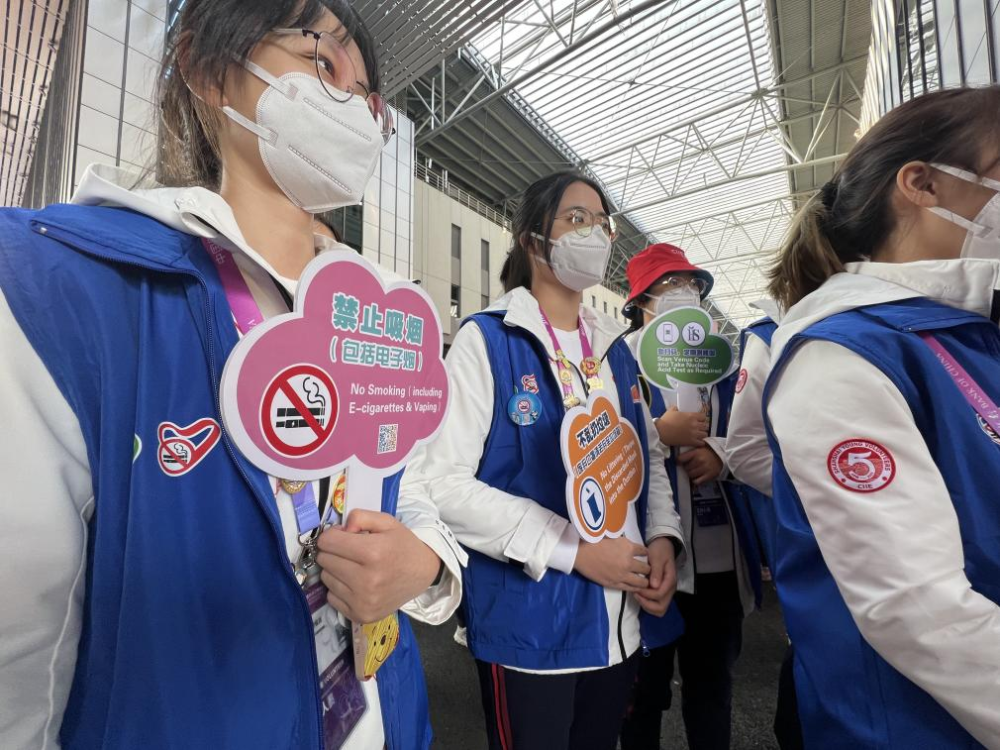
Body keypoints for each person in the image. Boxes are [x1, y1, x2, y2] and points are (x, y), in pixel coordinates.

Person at [0, 2, 465, 748]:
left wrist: (428, 562)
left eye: (368, 97)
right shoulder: (64, 287)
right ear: (209, 70)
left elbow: (411, 482)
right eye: (323, 59)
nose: (352, 105)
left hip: (382, 715)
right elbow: (21, 662)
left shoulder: (378, 315)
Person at [400, 172, 685, 750]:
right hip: (531, 634)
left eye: (601, 222)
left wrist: (663, 538)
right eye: (576, 219)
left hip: (621, 624)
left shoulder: (614, 352)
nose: (595, 233)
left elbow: (647, 460)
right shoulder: (489, 341)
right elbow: (440, 483)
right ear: (532, 239)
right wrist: (573, 550)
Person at [762, 86, 1000, 748]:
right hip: (914, 726)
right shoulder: (843, 354)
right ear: (921, 184)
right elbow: (917, 609)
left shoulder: (968, 332)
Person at [618, 244, 761, 750]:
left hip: (721, 559)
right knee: (641, 697)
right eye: (670, 284)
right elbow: (598, 451)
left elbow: (759, 438)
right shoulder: (619, 362)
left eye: (692, 284)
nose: (684, 291)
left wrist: (721, 456)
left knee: (712, 689)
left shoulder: (724, 363)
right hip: (650, 557)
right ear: (641, 300)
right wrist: (660, 432)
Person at [725, 300, 805, 750]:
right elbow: (746, 450)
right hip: (811, 536)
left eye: (690, 283)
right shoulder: (770, 334)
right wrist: (828, 493)